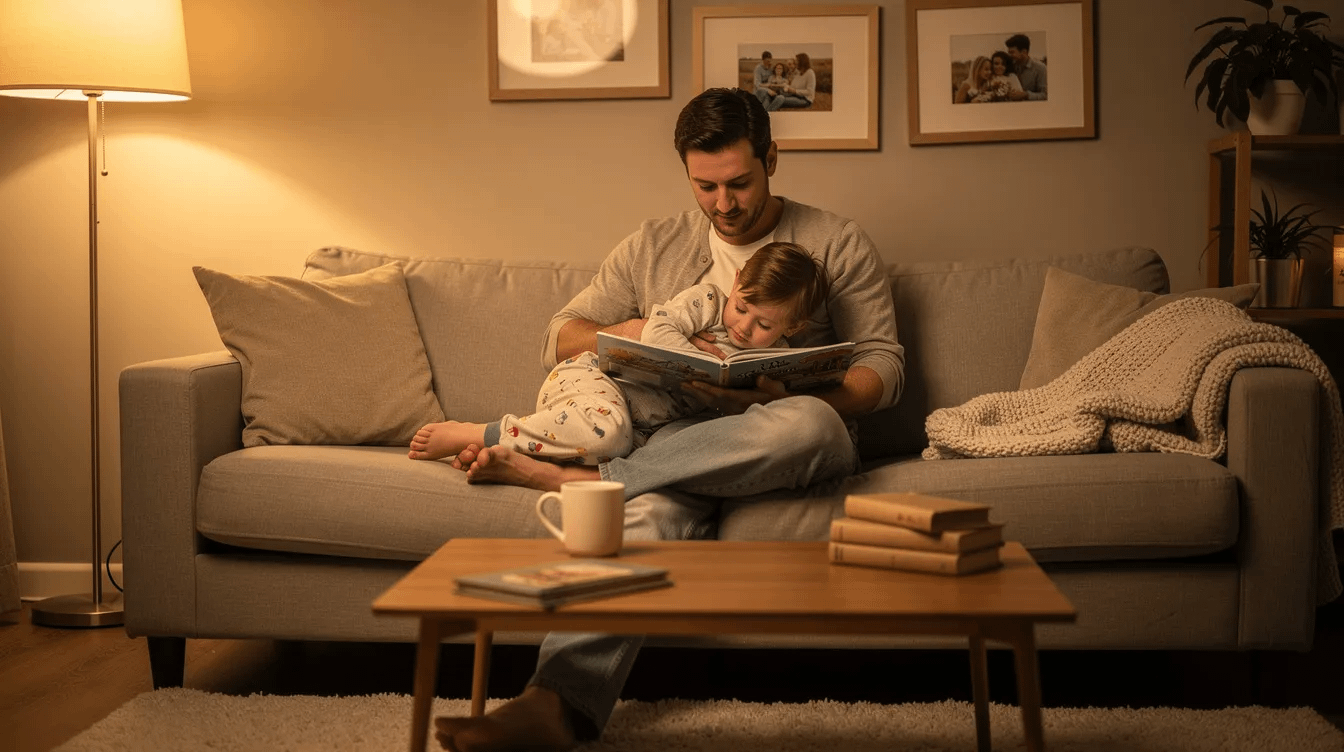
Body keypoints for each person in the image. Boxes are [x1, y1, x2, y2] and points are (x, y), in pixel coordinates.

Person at [432, 87, 904, 752]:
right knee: (644, 517)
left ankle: (596, 475)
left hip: (778, 439)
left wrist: (776, 398)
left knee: (813, 428)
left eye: (739, 183)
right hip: (677, 443)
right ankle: (550, 706)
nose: (724, 205)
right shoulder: (653, 245)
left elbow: (882, 366)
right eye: (705, 186)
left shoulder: (834, 241)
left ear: (772, 158)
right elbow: (560, 336)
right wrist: (630, 329)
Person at [408, 242, 829, 471]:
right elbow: (657, 328)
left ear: (791, 328)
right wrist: (704, 360)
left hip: (642, 425)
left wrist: (769, 395)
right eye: (742, 308)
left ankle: (514, 455)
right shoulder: (706, 301)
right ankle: (480, 432)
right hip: (595, 377)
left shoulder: (777, 356)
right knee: (608, 434)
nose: (744, 328)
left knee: (622, 446)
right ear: (736, 282)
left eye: (765, 326)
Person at [1004, 33, 1046, 101]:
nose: (1009, 55)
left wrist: (1025, 95)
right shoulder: (1009, 66)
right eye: (1008, 52)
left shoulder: (1040, 68)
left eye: (1012, 52)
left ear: (1024, 52)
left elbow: (1045, 95)